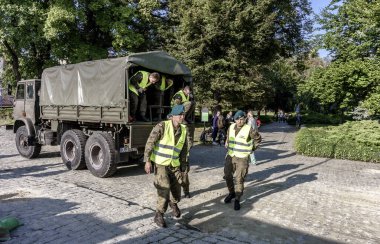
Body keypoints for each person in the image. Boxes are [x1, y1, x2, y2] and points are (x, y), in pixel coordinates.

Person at [144, 104, 189, 228]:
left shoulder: (184, 129)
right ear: (173, 116)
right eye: (180, 115)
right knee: (164, 188)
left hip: (174, 164)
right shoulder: (162, 126)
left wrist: (184, 166)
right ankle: (159, 214)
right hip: (161, 164)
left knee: (176, 190)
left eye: (183, 114)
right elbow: (150, 142)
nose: (182, 117)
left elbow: (184, 149)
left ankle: (173, 203)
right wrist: (147, 160)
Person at [224, 110, 261, 210]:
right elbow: (228, 137)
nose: (240, 121)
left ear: (245, 119)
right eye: (238, 119)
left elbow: (258, 138)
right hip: (231, 156)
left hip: (242, 158)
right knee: (227, 175)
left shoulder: (248, 129)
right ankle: (231, 193)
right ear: (235, 120)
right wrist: (226, 142)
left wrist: (252, 148)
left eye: (242, 119)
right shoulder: (231, 127)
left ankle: (237, 199)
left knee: (239, 179)